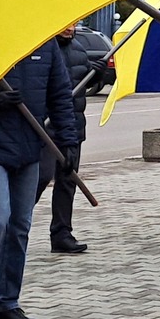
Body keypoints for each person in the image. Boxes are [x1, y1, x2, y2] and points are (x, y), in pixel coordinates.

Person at [0, 33, 78, 319]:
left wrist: (67, 142)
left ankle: (6, 305)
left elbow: (60, 95)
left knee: (19, 226)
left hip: (29, 149)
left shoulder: (46, 42)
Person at [43, 21, 107, 254]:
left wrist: (95, 73)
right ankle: (13, 227)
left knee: (67, 181)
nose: (69, 29)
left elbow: (81, 81)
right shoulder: (42, 48)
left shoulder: (79, 49)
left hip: (73, 127)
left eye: (73, 24)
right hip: (46, 128)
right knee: (39, 179)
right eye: (64, 24)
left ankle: (62, 233)